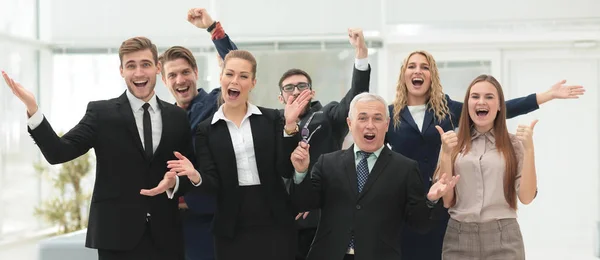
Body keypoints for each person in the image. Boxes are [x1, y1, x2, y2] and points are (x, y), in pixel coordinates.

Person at [2, 37, 200, 260]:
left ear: (157, 68)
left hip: (167, 238)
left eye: (145, 64)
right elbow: (58, 152)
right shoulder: (101, 114)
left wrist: (175, 183)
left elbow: (191, 173)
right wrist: (33, 109)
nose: (139, 73)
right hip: (116, 237)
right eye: (131, 65)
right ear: (121, 71)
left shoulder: (177, 117)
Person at [199, 10, 372, 259]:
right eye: (289, 87)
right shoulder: (272, 120)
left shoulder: (329, 116)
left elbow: (356, 97)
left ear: (312, 91)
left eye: (302, 86)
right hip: (282, 217)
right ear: (281, 97)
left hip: (322, 216)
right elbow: (238, 68)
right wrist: (214, 30)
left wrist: (361, 56)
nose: (296, 90)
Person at [387, 50, 585, 260]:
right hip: (408, 205)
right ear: (403, 74)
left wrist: (546, 96)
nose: (418, 71)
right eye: (412, 66)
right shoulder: (389, 115)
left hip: (447, 208)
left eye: (424, 67)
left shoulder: (448, 109)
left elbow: (497, 108)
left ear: (432, 75)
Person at [166, 50, 311, 260]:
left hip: (275, 220)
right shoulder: (206, 129)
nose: (235, 81)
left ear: (253, 83)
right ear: (221, 78)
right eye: (230, 74)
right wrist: (195, 175)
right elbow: (212, 182)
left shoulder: (271, 118)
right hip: (231, 226)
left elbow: (285, 169)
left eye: (243, 76)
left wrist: (290, 127)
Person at [290, 92, 460, 260]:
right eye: (362, 118)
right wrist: (301, 172)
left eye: (377, 118)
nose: (370, 125)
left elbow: (420, 224)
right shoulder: (327, 163)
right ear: (350, 123)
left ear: (387, 124)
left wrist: (431, 199)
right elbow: (304, 203)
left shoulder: (405, 168)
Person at [155, 8, 239, 260]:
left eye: (185, 72)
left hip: (208, 220)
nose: (180, 80)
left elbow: (236, 68)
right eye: (172, 75)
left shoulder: (215, 102)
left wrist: (213, 28)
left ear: (196, 73)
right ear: (163, 80)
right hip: (169, 222)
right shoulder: (159, 116)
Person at [435, 74, 538, 259]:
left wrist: (529, 150)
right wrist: (445, 155)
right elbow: (447, 200)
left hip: (504, 237)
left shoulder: (514, 145)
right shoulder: (452, 144)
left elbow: (526, 197)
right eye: (475, 96)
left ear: (499, 106)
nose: (481, 101)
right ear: (467, 104)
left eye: (489, 97)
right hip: (458, 237)